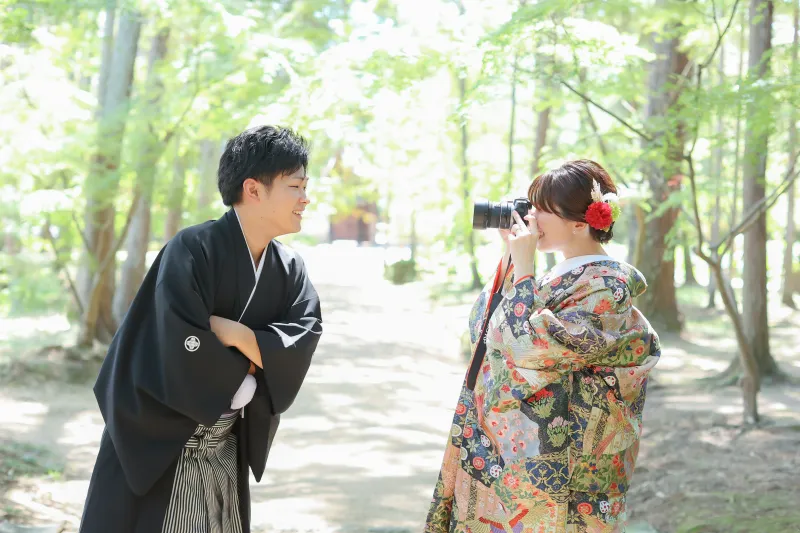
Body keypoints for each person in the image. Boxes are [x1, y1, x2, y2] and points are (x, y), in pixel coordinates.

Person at [79, 125, 323, 533]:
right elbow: (175, 346)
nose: (305, 198)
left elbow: (304, 338)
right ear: (253, 189)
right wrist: (256, 362)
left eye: (305, 187)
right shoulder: (193, 249)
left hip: (225, 446)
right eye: (295, 187)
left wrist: (239, 336)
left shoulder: (289, 268)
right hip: (161, 447)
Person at [425, 160, 660, 532]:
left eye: (542, 209)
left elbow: (531, 349)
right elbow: (486, 332)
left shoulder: (607, 286)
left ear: (580, 223)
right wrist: (512, 257)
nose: (530, 216)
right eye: (530, 205)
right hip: (518, 453)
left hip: (565, 467)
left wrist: (525, 272)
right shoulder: (559, 275)